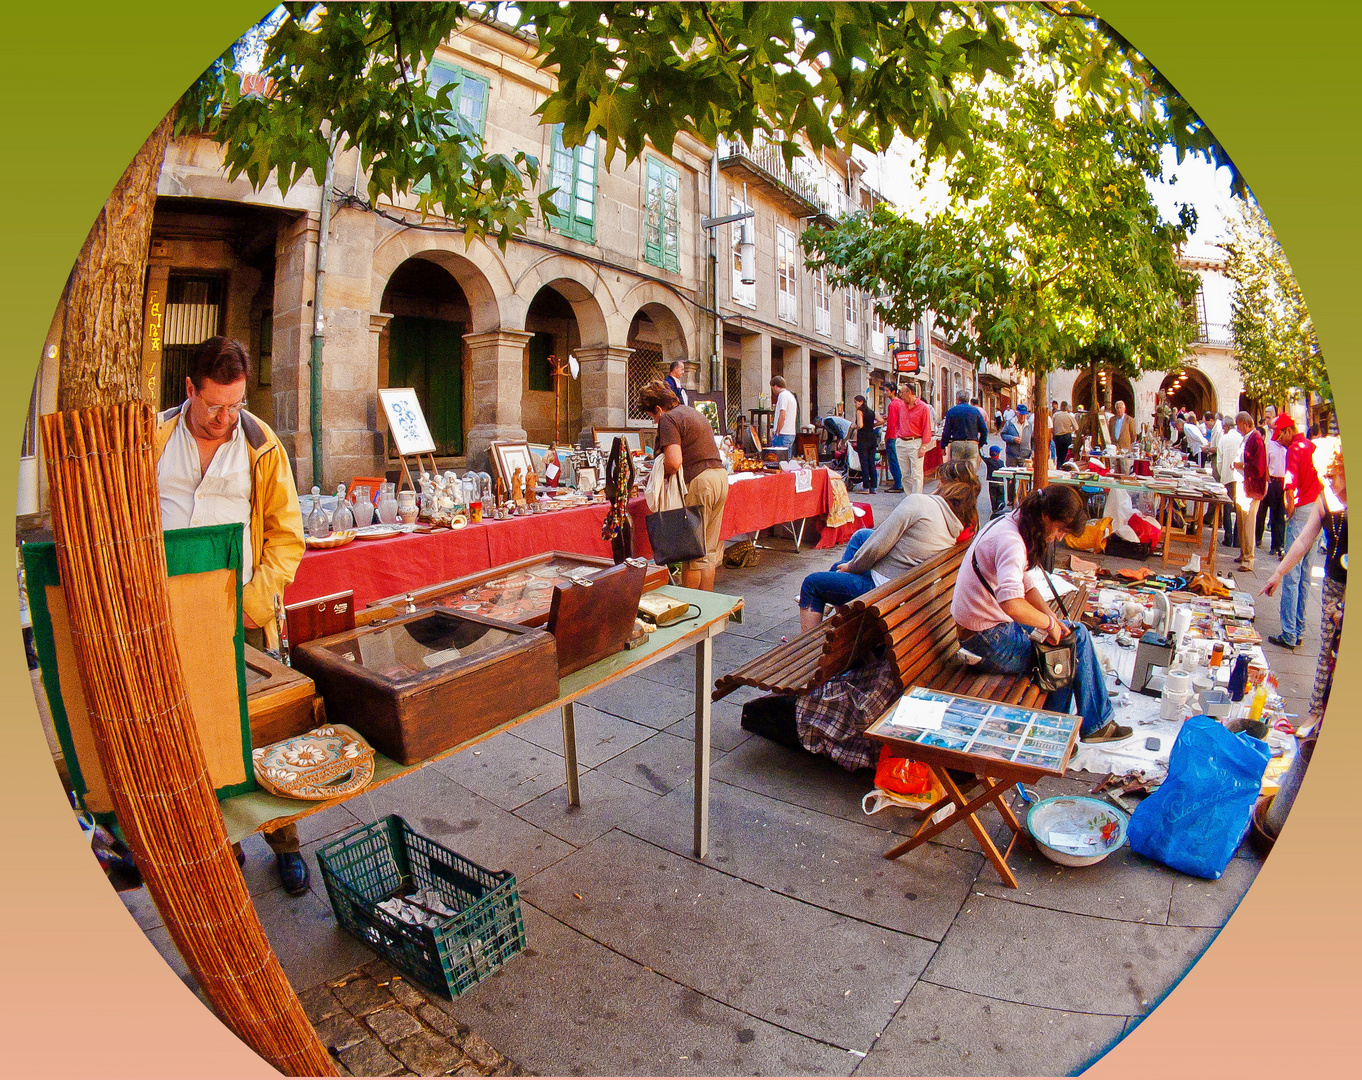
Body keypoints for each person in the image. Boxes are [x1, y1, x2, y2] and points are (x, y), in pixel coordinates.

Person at [154, 336, 308, 895]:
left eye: (234, 406)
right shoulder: (154, 439)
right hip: (166, 615)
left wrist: (253, 600)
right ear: (189, 389)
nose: (223, 418)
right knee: (195, 736)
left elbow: (288, 538)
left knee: (264, 736)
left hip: (240, 616)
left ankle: (284, 840)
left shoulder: (261, 445)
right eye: (213, 405)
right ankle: (227, 841)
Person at [952, 484, 1129, 743]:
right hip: (985, 641)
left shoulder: (1013, 522)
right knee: (1067, 648)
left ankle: (1069, 728)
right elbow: (1012, 604)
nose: (1058, 537)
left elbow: (1026, 586)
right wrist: (1049, 623)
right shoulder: (1011, 541)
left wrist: (1053, 621)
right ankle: (1060, 733)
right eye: (1060, 529)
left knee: (1067, 636)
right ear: (1046, 517)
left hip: (985, 630)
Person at [798, 461, 980, 631]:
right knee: (861, 536)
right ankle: (839, 599)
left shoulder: (919, 502)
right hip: (909, 583)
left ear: (946, 485)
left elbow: (879, 546)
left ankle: (806, 646)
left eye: (940, 482)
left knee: (812, 584)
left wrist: (852, 567)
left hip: (886, 587)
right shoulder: (959, 519)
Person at [1262, 449, 1346, 723]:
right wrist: (1278, 572)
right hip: (1334, 583)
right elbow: (1302, 541)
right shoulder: (1326, 500)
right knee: (1327, 651)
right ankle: (1316, 713)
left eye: (1333, 474)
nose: (1328, 480)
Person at [643, 381, 729, 591]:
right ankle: (707, 615)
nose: (655, 421)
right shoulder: (692, 412)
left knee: (691, 557)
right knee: (706, 554)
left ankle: (689, 612)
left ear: (658, 408)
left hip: (700, 482)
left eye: (652, 416)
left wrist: (656, 476)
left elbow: (673, 461)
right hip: (719, 477)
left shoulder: (668, 419)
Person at [1267, 414, 1321, 649]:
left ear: (1288, 430)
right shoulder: (1311, 446)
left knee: (1291, 574)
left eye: (1280, 436)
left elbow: (1290, 488)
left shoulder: (1296, 449)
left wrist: (1289, 513)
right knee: (1305, 577)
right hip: (1317, 509)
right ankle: (1297, 629)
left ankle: (1289, 633)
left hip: (1301, 510)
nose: (1280, 441)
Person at [1233, 411, 1268, 572]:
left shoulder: (1256, 439)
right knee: (1241, 521)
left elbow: (1259, 466)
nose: (1238, 429)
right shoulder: (1248, 438)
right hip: (1244, 484)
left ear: (1246, 424)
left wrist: (1242, 466)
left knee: (1248, 523)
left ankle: (1249, 558)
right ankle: (1243, 553)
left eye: (1239, 425)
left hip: (1252, 487)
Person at [1257, 410, 1288, 556]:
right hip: (1273, 482)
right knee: (1269, 513)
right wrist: (1268, 480)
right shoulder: (1270, 445)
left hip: (1284, 482)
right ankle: (1263, 540)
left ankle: (1279, 544)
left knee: (1279, 515)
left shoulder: (1286, 447)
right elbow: (1266, 464)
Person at [896, 381, 935, 494]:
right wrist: (898, 435)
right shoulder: (901, 406)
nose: (901, 395)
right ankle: (909, 496)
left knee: (916, 473)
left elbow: (927, 427)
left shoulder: (923, 407)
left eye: (902, 392)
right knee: (904, 474)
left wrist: (924, 446)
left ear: (910, 392)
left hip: (915, 441)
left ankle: (917, 497)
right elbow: (898, 423)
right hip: (902, 441)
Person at [942, 388, 989, 469]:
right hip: (972, 443)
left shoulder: (952, 411)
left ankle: (958, 481)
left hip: (957, 443)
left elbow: (947, 430)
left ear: (957, 399)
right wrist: (981, 443)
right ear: (968, 399)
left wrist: (943, 445)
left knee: (957, 469)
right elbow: (984, 430)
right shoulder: (975, 411)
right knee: (971, 468)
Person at [1217, 409, 1245, 547]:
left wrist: (1221, 476)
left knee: (1227, 508)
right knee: (1239, 508)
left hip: (1227, 476)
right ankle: (1238, 539)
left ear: (1226, 427)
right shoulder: (1241, 438)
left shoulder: (1223, 439)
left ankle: (1228, 537)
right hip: (1239, 477)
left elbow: (1219, 461)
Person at [851, 393, 879, 492]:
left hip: (863, 438)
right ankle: (873, 486)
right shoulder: (871, 411)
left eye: (855, 402)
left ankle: (866, 486)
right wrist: (872, 424)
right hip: (872, 437)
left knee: (864, 462)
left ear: (861, 402)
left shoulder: (859, 411)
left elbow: (860, 425)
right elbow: (881, 420)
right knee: (871, 462)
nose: (854, 404)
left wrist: (854, 427)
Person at [883, 384, 907, 493]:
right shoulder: (901, 403)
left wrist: (887, 436)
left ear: (893, 392)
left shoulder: (893, 405)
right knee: (899, 460)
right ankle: (900, 482)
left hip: (893, 435)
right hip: (900, 435)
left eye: (887, 391)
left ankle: (898, 483)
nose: (885, 393)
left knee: (893, 460)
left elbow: (891, 424)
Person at [770, 376, 797, 449]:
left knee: (778, 458)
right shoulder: (790, 396)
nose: (773, 391)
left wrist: (777, 431)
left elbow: (782, 414)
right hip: (790, 433)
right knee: (786, 459)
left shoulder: (782, 396)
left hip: (783, 433)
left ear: (775, 386)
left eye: (772, 389)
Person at [984, 445, 1006, 519]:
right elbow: (1005, 470)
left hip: (991, 481)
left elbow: (981, 455)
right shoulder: (1001, 462)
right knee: (1000, 494)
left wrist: (979, 447)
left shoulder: (988, 461)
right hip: (1000, 482)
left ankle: (994, 508)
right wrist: (1009, 480)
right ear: (998, 454)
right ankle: (1001, 504)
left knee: (993, 495)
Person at [1051, 400, 1075, 466]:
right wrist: (1071, 430)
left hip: (1058, 436)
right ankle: (1063, 466)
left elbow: (1051, 426)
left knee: (1058, 454)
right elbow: (1076, 427)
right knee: (1065, 454)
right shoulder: (1069, 416)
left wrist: (1053, 432)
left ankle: (1059, 466)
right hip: (1067, 436)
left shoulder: (1056, 415)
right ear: (1066, 407)